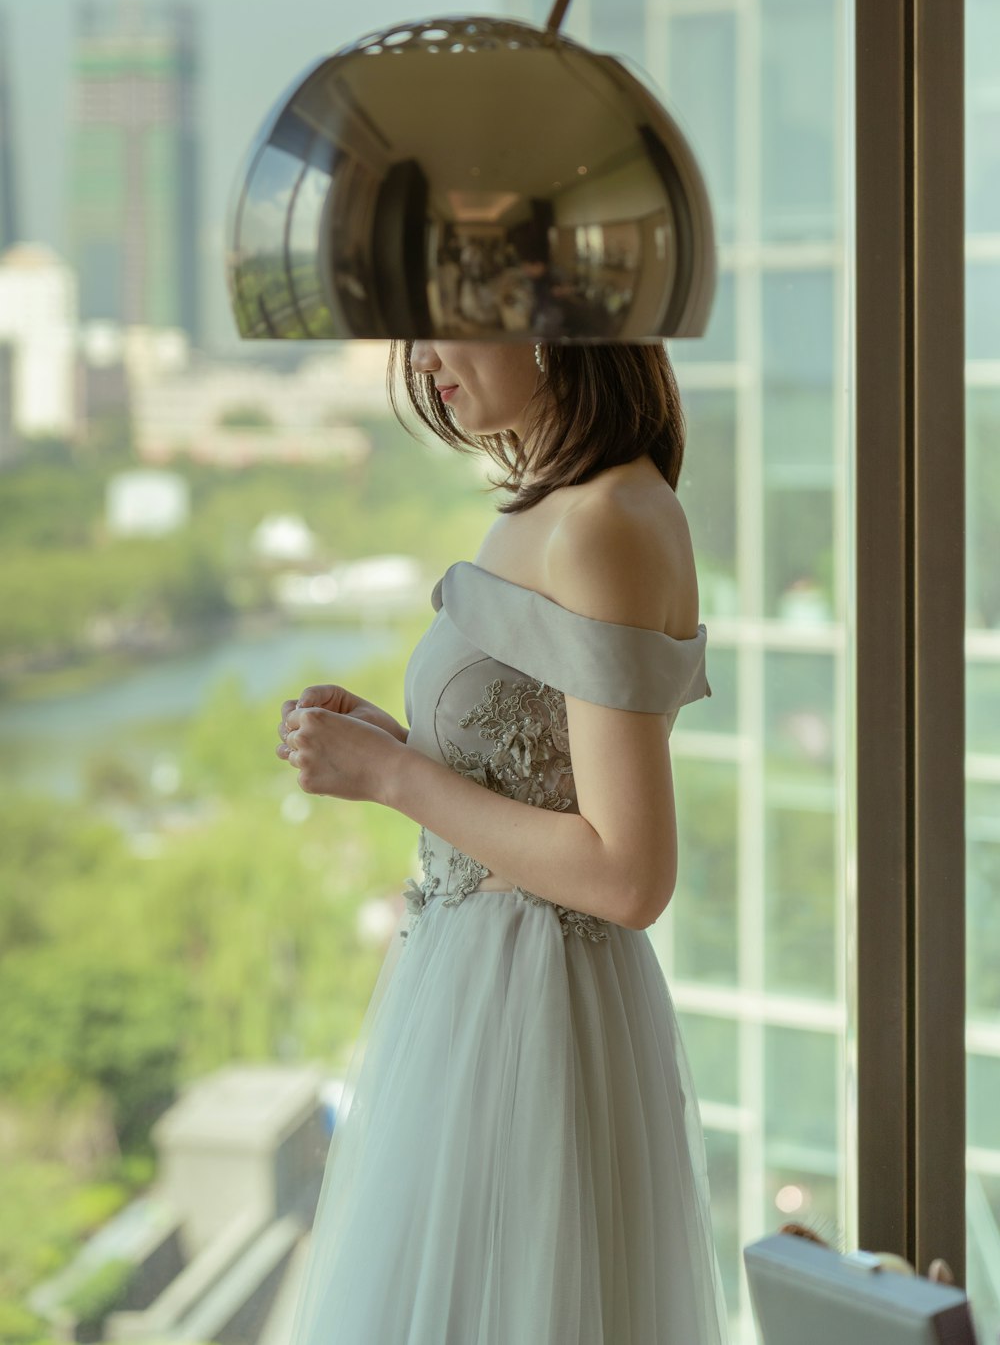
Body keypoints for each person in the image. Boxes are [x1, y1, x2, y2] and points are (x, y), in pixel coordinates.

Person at [277, 340, 730, 1345]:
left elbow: (627, 871)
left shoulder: (603, 518)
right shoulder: (560, 505)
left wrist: (396, 778)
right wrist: (397, 748)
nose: (425, 356)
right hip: (490, 993)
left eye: (448, 317)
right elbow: (548, 775)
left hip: (528, 1016)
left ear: (551, 311)